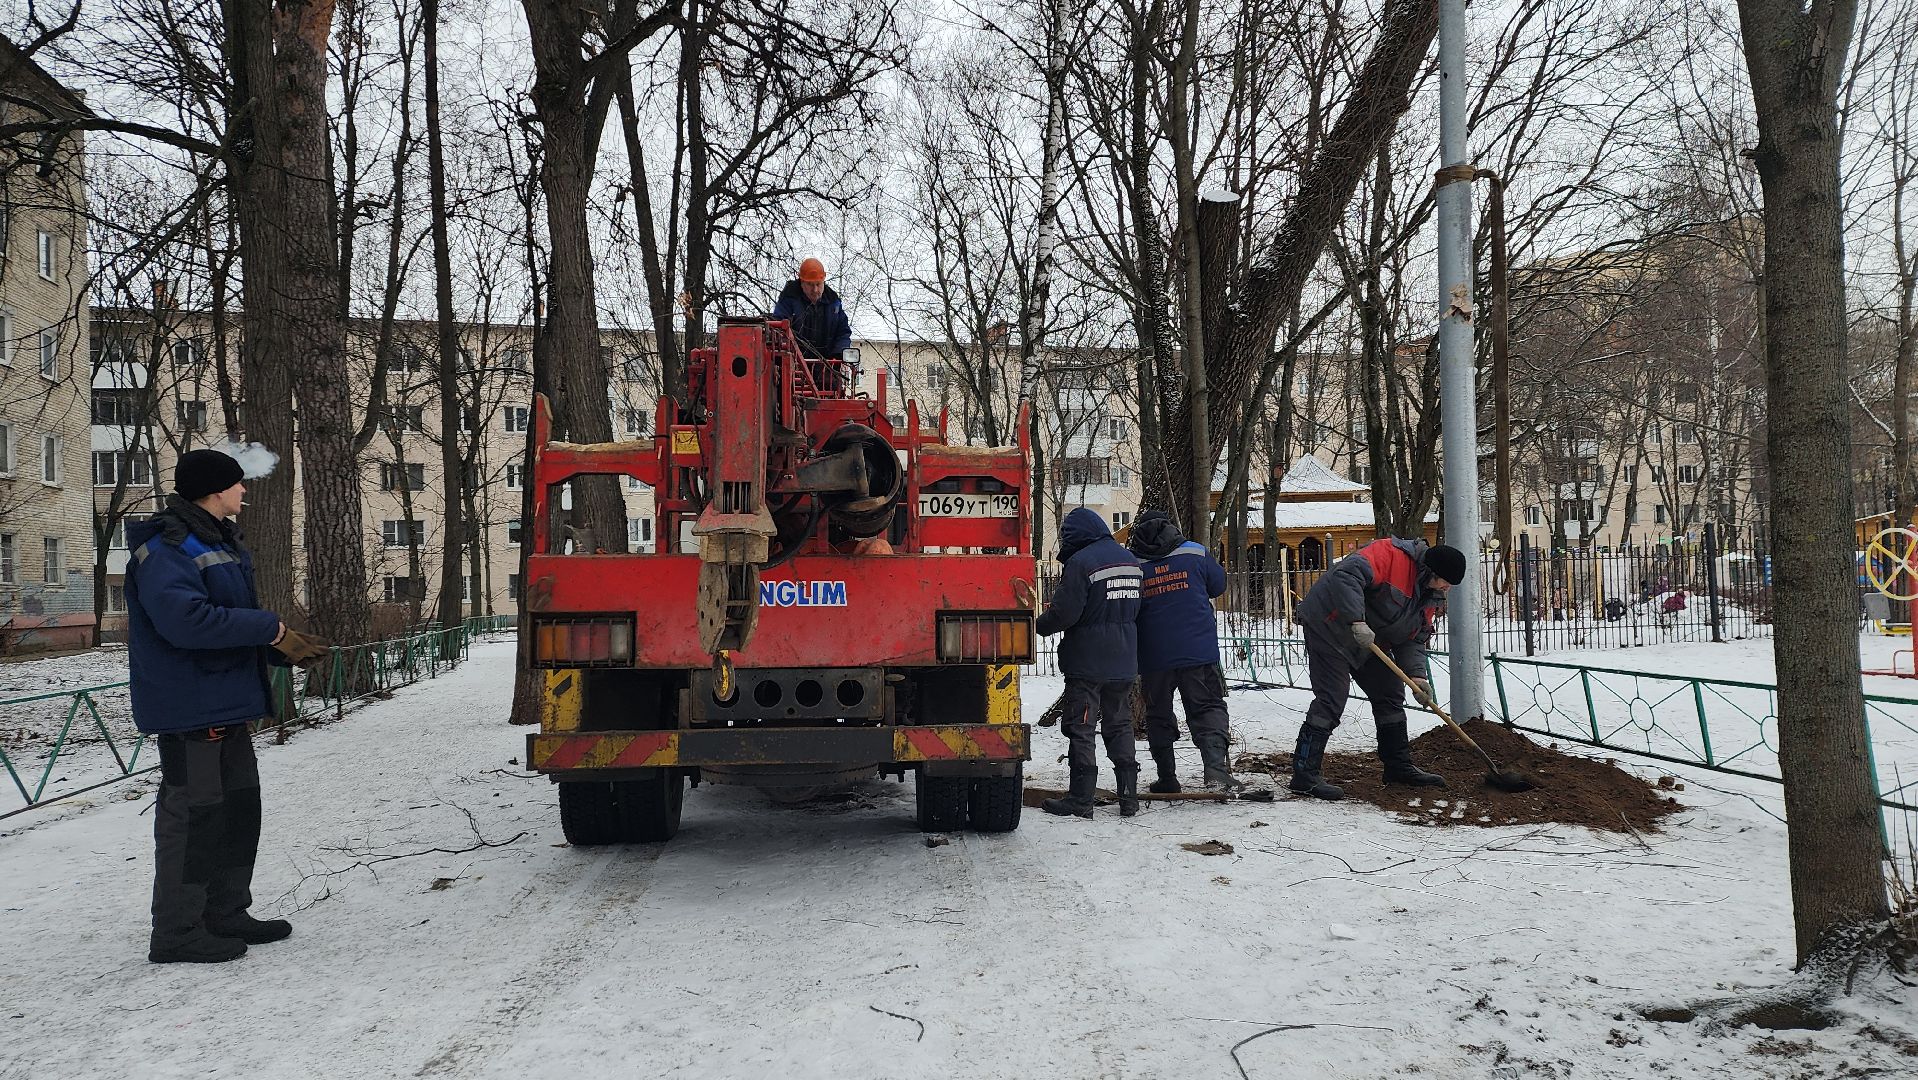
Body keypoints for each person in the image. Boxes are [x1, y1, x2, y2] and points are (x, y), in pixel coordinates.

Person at [127, 448, 330, 963]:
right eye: (238, 485)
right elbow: (187, 623)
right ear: (216, 490)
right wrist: (270, 629)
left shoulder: (218, 539)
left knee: (238, 811)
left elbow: (223, 621)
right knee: (194, 820)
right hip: (193, 711)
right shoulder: (167, 547)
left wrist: (277, 651)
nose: (244, 492)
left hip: (226, 705)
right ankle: (177, 932)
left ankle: (226, 911)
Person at [1288, 537, 1466, 800]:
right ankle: (1305, 774)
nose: (1447, 589)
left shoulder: (1431, 596)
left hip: (1369, 639)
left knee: (1390, 691)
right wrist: (1356, 620)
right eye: (1446, 582)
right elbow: (1346, 575)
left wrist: (1417, 677)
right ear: (1431, 571)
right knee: (1332, 697)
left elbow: (1413, 638)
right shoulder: (1391, 555)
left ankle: (1398, 767)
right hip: (1330, 624)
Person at [1034, 508, 1143, 818]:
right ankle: (1129, 796)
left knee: (1081, 727)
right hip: (1124, 661)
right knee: (1119, 724)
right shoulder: (1131, 562)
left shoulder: (1081, 564)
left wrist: (1036, 626)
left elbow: (1065, 613)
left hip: (1088, 664)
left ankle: (1081, 799)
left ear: (1076, 536)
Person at [1126, 510, 1241, 794]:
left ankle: (1167, 777)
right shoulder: (1195, 553)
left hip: (1154, 655)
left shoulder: (1134, 564)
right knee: (1207, 707)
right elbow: (1218, 585)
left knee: (1158, 713)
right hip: (1197, 650)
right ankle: (1215, 769)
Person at [770, 257, 853, 361]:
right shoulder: (789, 300)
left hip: (827, 366)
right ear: (801, 282)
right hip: (794, 364)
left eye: (818, 284)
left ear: (824, 280)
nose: (815, 290)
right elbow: (778, 329)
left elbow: (843, 332)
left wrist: (839, 354)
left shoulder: (833, 303)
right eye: (810, 285)